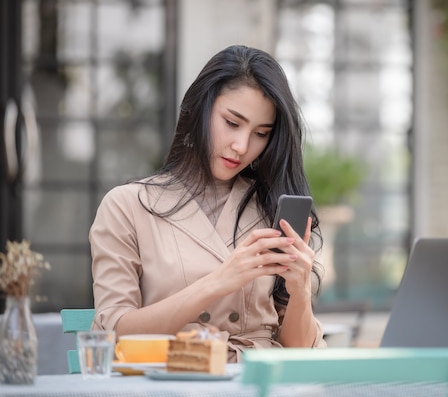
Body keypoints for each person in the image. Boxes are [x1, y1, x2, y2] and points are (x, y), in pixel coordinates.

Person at [89, 45, 326, 362]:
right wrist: (219, 281)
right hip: (171, 388)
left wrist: (300, 290)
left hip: (258, 388)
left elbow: (300, 355)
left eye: (261, 133)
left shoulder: (270, 207)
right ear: (201, 109)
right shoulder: (127, 206)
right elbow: (115, 333)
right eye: (232, 123)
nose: (241, 146)